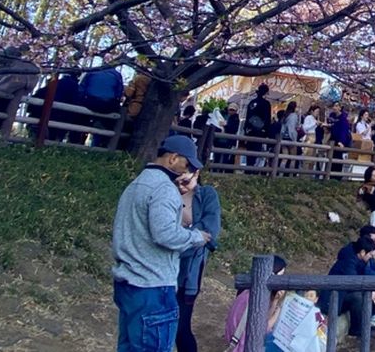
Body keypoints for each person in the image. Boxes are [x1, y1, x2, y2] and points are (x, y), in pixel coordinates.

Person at [112, 135, 211, 352]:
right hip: (153, 286)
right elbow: (165, 234)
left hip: (128, 283)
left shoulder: (136, 184)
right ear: (173, 158)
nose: (187, 171)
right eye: (187, 164)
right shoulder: (164, 188)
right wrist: (196, 237)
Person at [175, 170, 221, 352]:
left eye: (185, 182)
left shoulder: (206, 194)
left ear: (196, 174)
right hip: (162, 271)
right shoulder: (166, 192)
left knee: (181, 327)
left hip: (189, 274)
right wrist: (193, 233)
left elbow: (210, 231)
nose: (180, 187)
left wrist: (181, 234)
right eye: (176, 182)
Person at [318, 237, 375, 336]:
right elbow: (353, 284)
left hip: (343, 294)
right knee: (358, 297)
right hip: (333, 298)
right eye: (370, 254)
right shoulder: (348, 262)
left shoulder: (359, 260)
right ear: (363, 252)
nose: (371, 257)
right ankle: (357, 329)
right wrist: (369, 293)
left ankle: (367, 320)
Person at [224, 255, 289, 352]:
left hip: (235, 341)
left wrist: (275, 301)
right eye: (281, 275)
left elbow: (264, 319)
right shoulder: (254, 298)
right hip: (243, 346)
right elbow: (263, 330)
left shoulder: (251, 290)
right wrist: (280, 309)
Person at [80, 67, 124, 146]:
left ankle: (77, 141)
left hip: (90, 102)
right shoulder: (116, 75)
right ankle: (99, 144)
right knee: (107, 124)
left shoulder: (92, 72)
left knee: (82, 120)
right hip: (107, 105)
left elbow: (81, 89)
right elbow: (119, 93)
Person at [243, 84, 271, 170]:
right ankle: (252, 170)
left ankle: (248, 169)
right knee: (256, 152)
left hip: (250, 130)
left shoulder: (252, 103)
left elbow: (247, 117)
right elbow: (267, 119)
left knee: (249, 151)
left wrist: (246, 129)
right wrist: (266, 131)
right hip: (260, 132)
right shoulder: (266, 104)